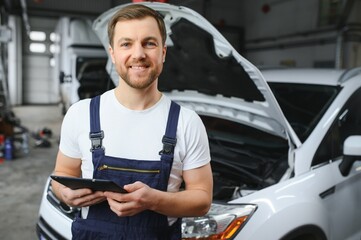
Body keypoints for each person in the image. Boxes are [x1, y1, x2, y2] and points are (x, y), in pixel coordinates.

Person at [51, 3, 213, 239]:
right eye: (126, 44)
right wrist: (64, 194)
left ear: (163, 52)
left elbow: (202, 200)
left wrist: (154, 200)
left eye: (149, 43)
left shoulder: (186, 122)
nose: (138, 54)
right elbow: (62, 173)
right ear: (112, 53)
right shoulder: (81, 114)